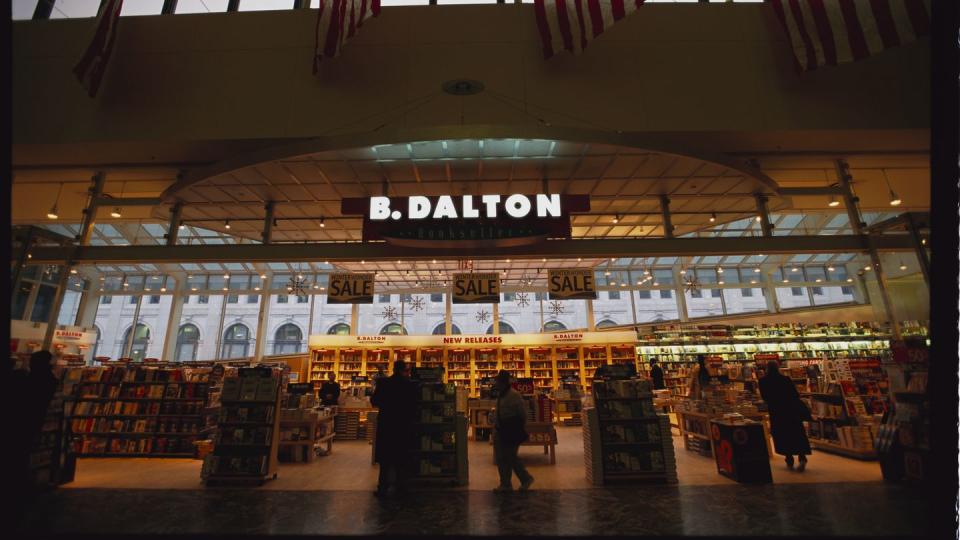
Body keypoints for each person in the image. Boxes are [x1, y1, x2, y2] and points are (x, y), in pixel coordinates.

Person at [370, 360, 417, 497]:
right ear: (404, 370)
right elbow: (414, 405)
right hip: (403, 424)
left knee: (385, 459)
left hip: (387, 423)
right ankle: (401, 487)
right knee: (402, 457)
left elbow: (375, 402)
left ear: (393, 369)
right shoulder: (409, 384)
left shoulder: (383, 383)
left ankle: (383, 487)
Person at [758, 360, 812, 471]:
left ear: (766, 369)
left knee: (782, 434)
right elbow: (795, 394)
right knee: (796, 433)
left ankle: (789, 457)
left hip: (777, 411)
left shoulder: (763, 381)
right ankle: (802, 457)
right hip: (790, 410)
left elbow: (765, 397)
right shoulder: (785, 379)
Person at [492, 370, 534, 492]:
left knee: (510, 457)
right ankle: (505, 484)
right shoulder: (502, 394)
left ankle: (525, 478)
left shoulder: (514, 395)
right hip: (500, 430)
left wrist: (517, 428)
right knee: (501, 458)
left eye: (498, 381)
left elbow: (522, 414)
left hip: (510, 431)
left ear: (503, 383)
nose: (496, 383)